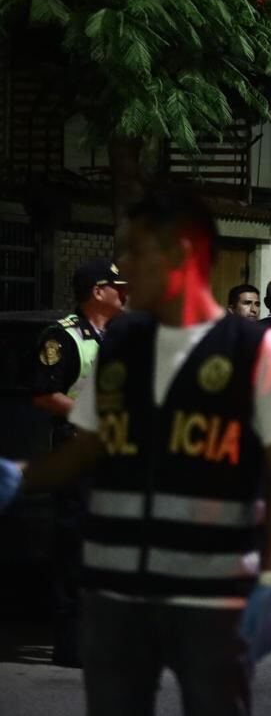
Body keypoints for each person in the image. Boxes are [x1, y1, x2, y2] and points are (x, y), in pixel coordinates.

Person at [0, 187, 271, 716]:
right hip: (115, 596)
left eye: (137, 254)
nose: (125, 272)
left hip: (210, 595)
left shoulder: (256, 350)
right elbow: (91, 444)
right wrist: (21, 478)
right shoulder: (121, 345)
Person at [31, 258, 127, 667]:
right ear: (97, 292)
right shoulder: (63, 337)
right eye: (119, 287)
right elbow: (44, 393)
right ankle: (70, 644)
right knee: (76, 549)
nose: (126, 294)